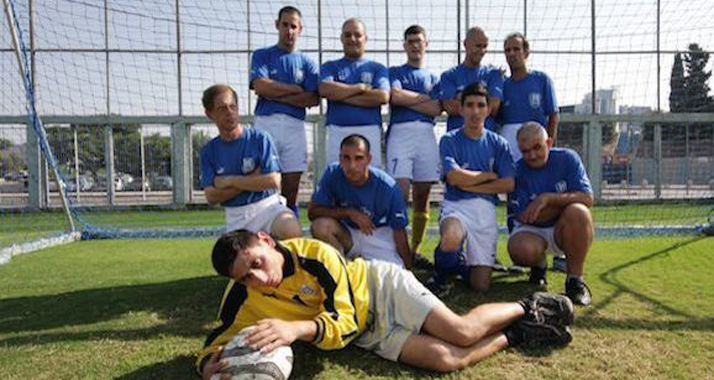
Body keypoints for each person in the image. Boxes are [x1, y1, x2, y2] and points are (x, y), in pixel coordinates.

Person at [196, 229, 575, 377]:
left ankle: (529, 304)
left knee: (461, 331)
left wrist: (296, 328)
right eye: (245, 277)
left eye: (256, 264)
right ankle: (520, 334)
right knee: (448, 360)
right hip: (366, 332)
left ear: (265, 240)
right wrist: (208, 365)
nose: (258, 279)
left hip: (379, 288)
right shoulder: (243, 297)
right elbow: (217, 337)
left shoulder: (315, 255)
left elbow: (342, 319)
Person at [430, 83, 515, 295]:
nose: (475, 111)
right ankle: (440, 275)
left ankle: (457, 264)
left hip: (485, 211)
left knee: (480, 286)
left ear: (488, 109)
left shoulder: (498, 143)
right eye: (469, 105)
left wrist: (467, 183)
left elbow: (508, 183)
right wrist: (487, 176)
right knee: (451, 237)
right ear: (461, 109)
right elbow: (453, 177)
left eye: (480, 105)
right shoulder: (449, 139)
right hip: (456, 207)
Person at [507, 122, 594, 305]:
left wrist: (547, 199)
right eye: (525, 151)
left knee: (579, 213)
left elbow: (587, 198)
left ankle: (575, 281)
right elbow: (528, 217)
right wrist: (564, 203)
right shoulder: (516, 171)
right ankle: (538, 266)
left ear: (549, 142)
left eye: (537, 147)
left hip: (563, 227)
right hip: (532, 230)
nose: (532, 155)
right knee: (521, 249)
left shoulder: (568, 158)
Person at [199, 84, 301, 239]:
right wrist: (253, 179)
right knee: (234, 259)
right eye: (222, 108)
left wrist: (229, 180)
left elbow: (273, 180)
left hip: (269, 207)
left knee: (291, 229)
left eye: (233, 106)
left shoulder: (260, 138)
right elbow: (212, 196)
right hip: (236, 217)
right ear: (209, 114)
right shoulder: (208, 151)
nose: (230, 113)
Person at [250, 6, 319, 216]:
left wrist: (275, 91)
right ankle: (262, 234)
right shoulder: (262, 55)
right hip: (266, 123)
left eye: (293, 26)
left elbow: (313, 97)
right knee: (264, 183)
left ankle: (290, 238)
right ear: (277, 25)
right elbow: (260, 86)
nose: (289, 30)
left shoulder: (307, 63)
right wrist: (294, 90)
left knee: (291, 187)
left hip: (294, 126)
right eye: (285, 25)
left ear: (300, 29)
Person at [308, 134, 411, 268]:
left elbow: (399, 232)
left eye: (358, 158)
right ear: (340, 159)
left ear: (368, 159)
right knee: (320, 226)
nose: (352, 165)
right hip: (348, 233)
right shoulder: (332, 173)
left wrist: (408, 269)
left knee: (393, 279)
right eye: (346, 158)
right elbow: (313, 212)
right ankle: (341, 271)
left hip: (377, 234)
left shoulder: (388, 187)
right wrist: (349, 212)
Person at [386, 25, 442, 264]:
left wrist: (411, 99)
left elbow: (438, 108)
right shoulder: (395, 71)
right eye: (410, 41)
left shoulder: (434, 77)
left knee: (423, 194)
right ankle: (397, 248)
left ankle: (415, 249)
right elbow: (395, 96)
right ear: (405, 45)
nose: (415, 45)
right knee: (399, 193)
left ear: (426, 44)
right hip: (400, 134)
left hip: (426, 135)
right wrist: (425, 100)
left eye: (419, 40)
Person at [319, 18, 390, 167]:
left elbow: (382, 96)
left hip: (370, 130)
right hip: (337, 129)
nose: (352, 39)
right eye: (347, 35)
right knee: (337, 179)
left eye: (357, 35)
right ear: (341, 38)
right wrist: (359, 88)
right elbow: (325, 89)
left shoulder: (377, 68)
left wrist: (340, 95)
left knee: (370, 179)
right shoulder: (330, 66)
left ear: (365, 38)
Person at [499, 32, 559, 162]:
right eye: (507, 50)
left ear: (526, 52)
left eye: (516, 49)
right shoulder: (502, 85)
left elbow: (553, 116)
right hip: (510, 148)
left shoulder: (542, 80)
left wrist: (548, 146)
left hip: (535, 147)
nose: (511, 53)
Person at [438, 26, 503, 132]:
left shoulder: (493, 74)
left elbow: (494, 107)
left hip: (485, 140)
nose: (482, 51)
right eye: (478, 46)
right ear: (465, 44)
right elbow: (449, 107)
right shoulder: (449, 75)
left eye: (485, 46)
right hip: (457, 140)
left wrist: (461, 97)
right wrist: (483, 102)